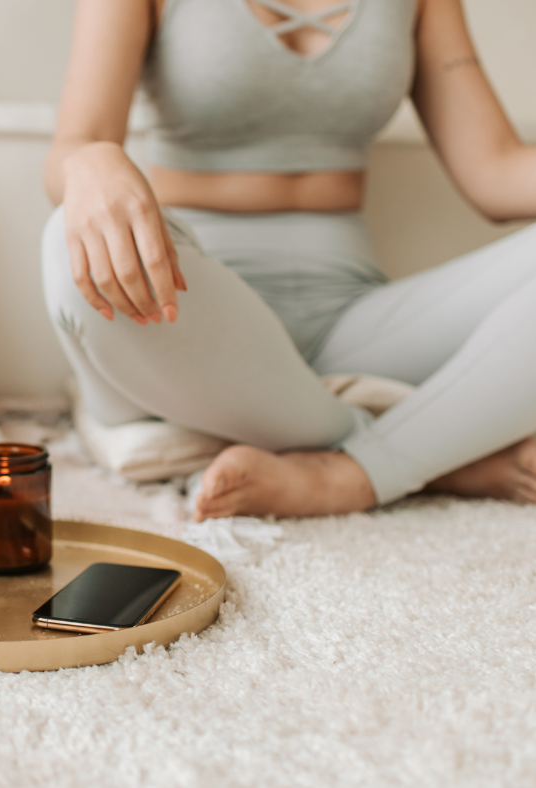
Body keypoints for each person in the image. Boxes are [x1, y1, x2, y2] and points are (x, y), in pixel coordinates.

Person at [40, 0, 536, 520]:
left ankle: (351, 473)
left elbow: (494, 169)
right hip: (186, 314)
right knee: (62, 244)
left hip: (351, 324)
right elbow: (74, 143)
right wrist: (87, 161)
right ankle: (432, 453)